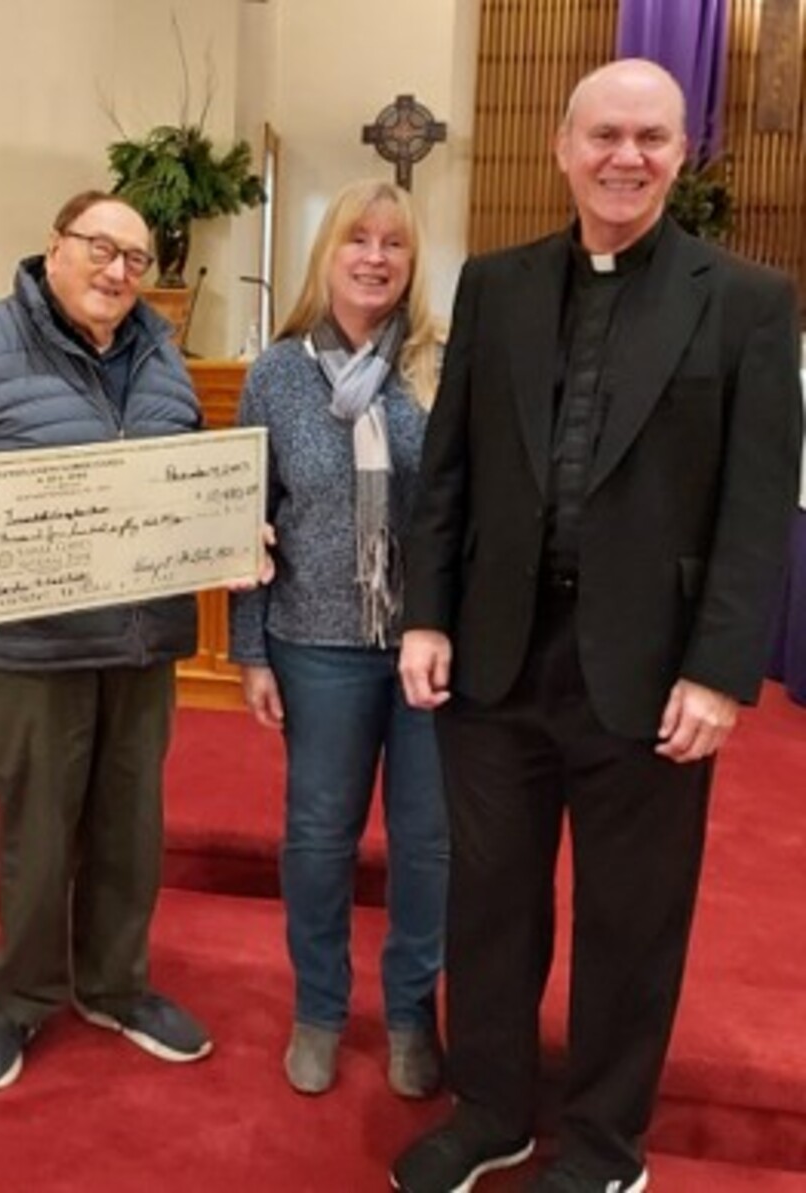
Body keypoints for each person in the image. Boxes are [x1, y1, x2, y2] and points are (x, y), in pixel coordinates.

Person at [391, 60, 802, 1193]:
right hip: (495, 654)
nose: (627, 156)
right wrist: (428, 613)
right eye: (607, 134)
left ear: (682, 154)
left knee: (631, 919)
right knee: (489, 901)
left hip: (651, 666)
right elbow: (450, 471)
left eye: (652, 138)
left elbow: (757, 505)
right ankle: (493, 1108)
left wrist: (721, 669)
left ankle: (607, 1143)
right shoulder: (497, 283)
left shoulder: (750, 301)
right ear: (565, 147)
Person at [0, 191, 212, 1091]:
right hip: (32, 641)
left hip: (142, 639)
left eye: (135, 259)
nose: (117, 272)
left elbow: (188, 471)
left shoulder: (160, 352)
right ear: (54, 246)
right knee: (38, 832)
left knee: (131, 825)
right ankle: (22, 995)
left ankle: (115, 983)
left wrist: (231, 524)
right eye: (100, 249)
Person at [229, 179, 447, 1100]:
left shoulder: (442, 367)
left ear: (412, 261)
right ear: (328, 253)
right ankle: (320, 1007)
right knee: (319, 837)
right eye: (357, 239)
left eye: (393, 244)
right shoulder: (276, 374)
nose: (374, 257)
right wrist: (249, 650)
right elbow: (246, 524)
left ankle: (410, 1015)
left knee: (428, 840)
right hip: (315, 641)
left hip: (431, 648)